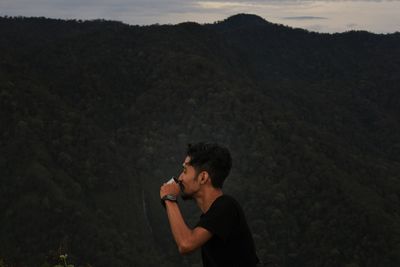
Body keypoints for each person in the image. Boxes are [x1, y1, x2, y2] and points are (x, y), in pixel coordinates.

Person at [160, 142, 260, 267]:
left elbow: (186, 244)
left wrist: (170, 198)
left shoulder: (226, 207)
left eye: (185, 170)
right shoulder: (213, 214)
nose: (180, 177)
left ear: (203, 178)